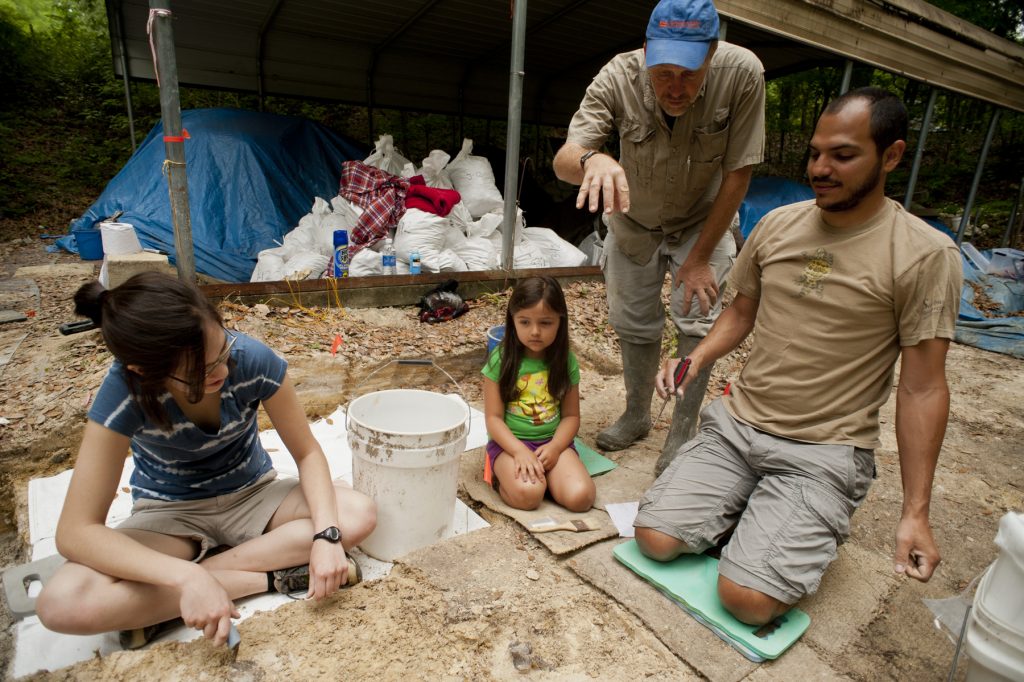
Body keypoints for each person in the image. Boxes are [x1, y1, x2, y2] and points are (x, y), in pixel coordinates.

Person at [634, 87, 963, 625]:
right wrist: (694, 358)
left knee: (747, 602)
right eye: (815, 153)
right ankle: (756, 508)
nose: (821, 168)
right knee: (654, 539)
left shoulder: (924, 254)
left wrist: (915, 513)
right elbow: (740, 314)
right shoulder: (777, 225)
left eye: (843, 154)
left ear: (892, 155)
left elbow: (923, 386)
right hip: (739, 426)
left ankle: (796, 517)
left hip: (824, 449)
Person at [35, 272, 377, 648]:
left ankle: (165, 601)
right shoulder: (122, 394)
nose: (224, 372)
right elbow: (75, 531)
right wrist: (185, 578)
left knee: (355, 514)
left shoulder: (251, 359)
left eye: (223, 352)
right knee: (63, 603)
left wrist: (326, 537)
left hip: (253, 494)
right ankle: (266, 578)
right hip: (170, 515)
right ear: (145, 372)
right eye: (200, 372)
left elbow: (308, 452)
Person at [552, 0, 766, 474]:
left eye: (688, 74)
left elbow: (739, 173)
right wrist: (594, 160)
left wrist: (701, 257)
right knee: (633, 323)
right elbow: (565, 158)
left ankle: (682, 432)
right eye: (662, 72)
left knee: (696, 319)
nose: (675, 87)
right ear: (646, 51)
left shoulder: (743, 73)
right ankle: (636, 414)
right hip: (633, 220)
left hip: (702, 222)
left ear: (712, 54)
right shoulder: (618, 76)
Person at [482, 276, 596, 512]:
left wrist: (555, 447)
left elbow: (571, 416)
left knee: (581, 498)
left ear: (560, 322)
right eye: (524, 322)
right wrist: (519, 451)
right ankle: (499, 474)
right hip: (510, 445)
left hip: (552, 444)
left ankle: (548, 479)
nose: (535, 332)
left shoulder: (565, 361)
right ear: (512, 321)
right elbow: (493, 419)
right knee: (529, 496)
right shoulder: (500, 360)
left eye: (545, 323)